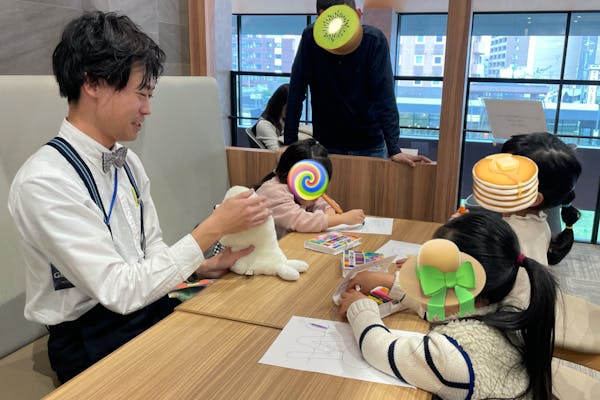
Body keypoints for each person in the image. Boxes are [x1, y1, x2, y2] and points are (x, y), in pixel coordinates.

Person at [7, 11, 270, 383]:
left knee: (242, 356)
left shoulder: (128, 162)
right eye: (141, 94)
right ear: (93, 83)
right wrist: (210, 231)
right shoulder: (45, 181)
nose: (148, 109)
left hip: (149, 308)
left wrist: (199, 266)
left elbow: (151, 249)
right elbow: (118, 290)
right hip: (90, 339)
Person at [339, 213, 558, 399]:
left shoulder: (449, 356)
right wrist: (388, 282)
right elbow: (440, 310)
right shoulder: (500, 308)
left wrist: (361, 309)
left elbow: (378, 348)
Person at [283, 0, 432, 167]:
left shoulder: (373, 40)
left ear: (358, 15)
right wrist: (289, 144)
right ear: (319, 19)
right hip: (327, 143)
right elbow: (296, 91)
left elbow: (384, 95)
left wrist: (394, 149)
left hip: (369, 143)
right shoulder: (311, 38)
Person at [255, 139, 365, 238]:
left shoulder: (300, 191)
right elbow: (301, 221)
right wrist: (341, 219)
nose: (316, 194)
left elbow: (322, 203)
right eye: (309, 185)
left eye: (319, 185)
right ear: (292, 175)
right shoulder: (274, 192)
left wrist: (329, 211)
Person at [500, 132, 581, 265]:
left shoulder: (507, 236)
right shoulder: (539, 223)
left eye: (505, 175)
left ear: (533, 198)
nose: (490, 175)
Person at [253, 83, 312, 150]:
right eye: (289, 107)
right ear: (279, 104)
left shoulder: (283, 119)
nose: (292, 110)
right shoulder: (264, 125)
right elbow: (277, 150)